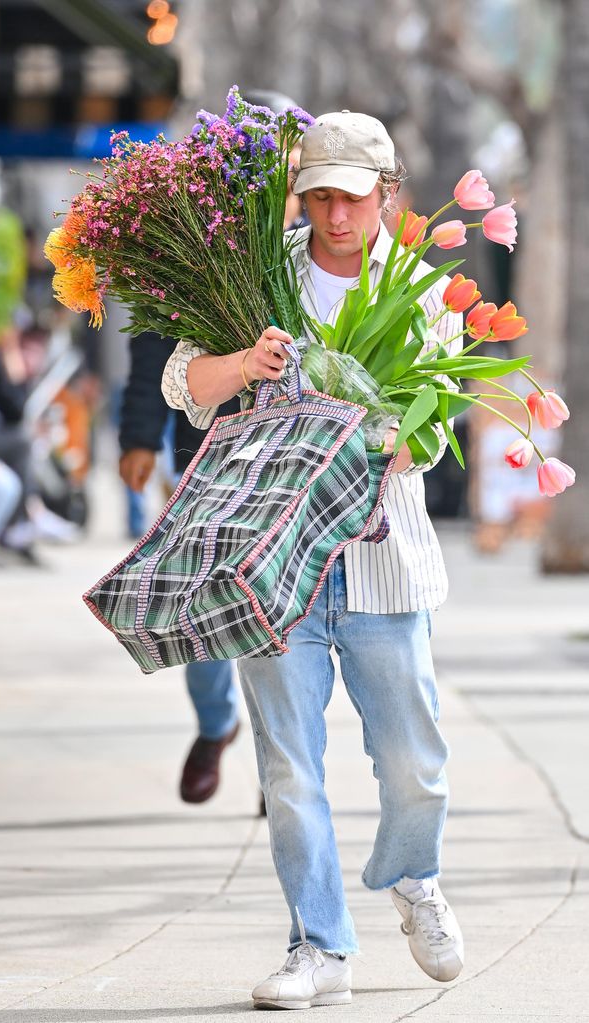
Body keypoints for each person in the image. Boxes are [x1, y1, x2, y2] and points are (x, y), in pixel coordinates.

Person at [162, 108, 465, 1008]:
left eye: (353, 198)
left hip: (383, 561)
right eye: (320, 196)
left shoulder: (422, 287)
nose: (335, 216)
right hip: (276, 564)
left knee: (414, 761)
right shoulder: (257, 277)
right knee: (290, 765)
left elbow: (440, 421)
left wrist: (402, 438)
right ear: (301, 196)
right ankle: (318, 946)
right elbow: (187, 386)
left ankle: (413, 877)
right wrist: (244, 364)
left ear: (387, 194)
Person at [119, 331, 241, 803]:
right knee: (202, 604)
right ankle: (216, 724)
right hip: (205, 451)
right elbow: (154, 336)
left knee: (283, 611)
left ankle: (287, 766)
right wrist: (139, 437)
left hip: (294, 443)